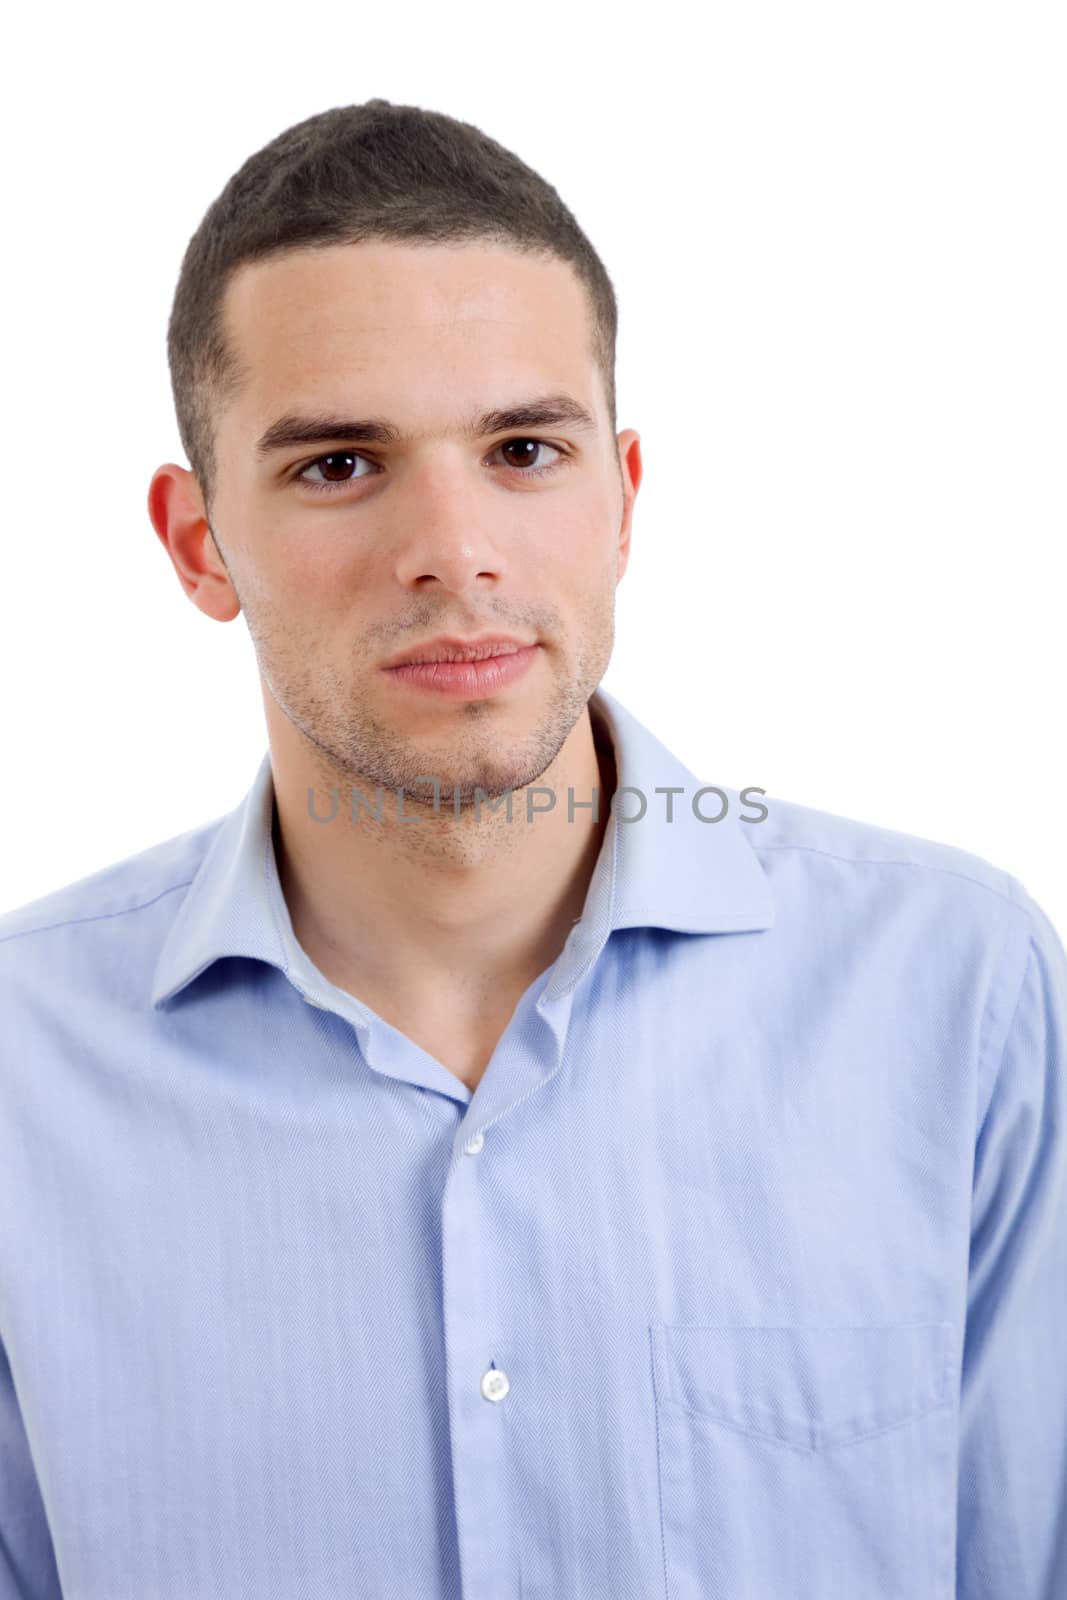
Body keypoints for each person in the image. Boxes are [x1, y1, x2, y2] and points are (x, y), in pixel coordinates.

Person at [0, 98, 1063, 1600]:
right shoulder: (21, 1078)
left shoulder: (959, 993)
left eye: (522, 447)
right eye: (337, 466)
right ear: (197, 545)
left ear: (623, 497)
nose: (454, 548)